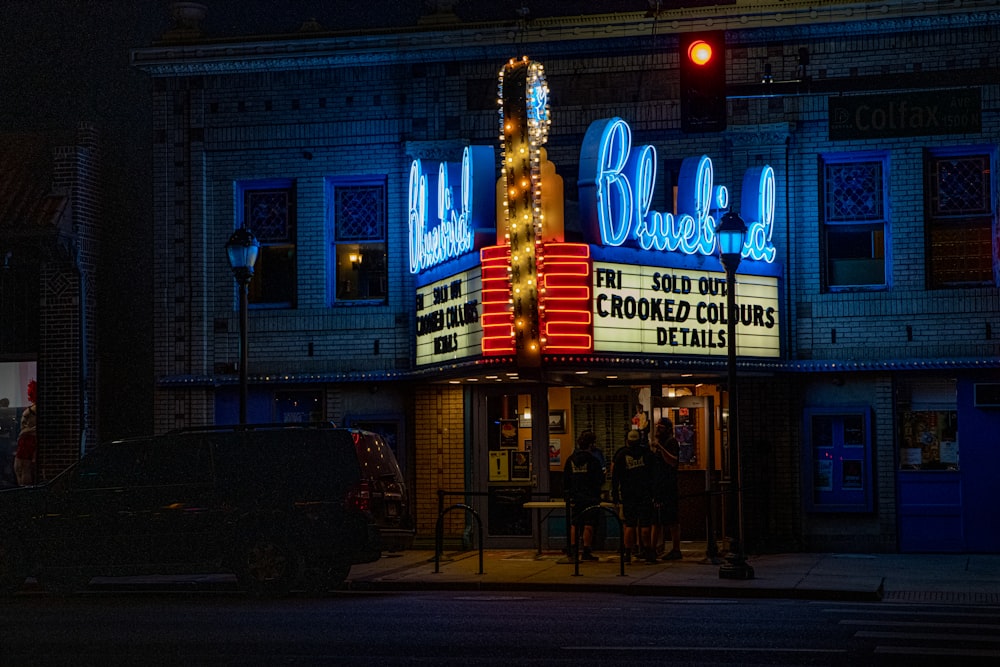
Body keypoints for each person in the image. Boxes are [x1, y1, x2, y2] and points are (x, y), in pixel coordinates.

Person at [611, 429, 657, 563]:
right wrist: (655, 493)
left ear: (628, 441)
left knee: (629, 524)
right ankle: (648, 552)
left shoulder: (621, 455)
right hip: (645, 494)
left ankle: (627, 553)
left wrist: (615, 494)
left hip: (628, 495)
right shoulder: (647, 454)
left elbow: (615, 477)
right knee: (645, 525)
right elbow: (654, 475)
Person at [563, 429, 605, 561]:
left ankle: (574, 550)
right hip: (590, 497)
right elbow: (599, 480)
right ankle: (586, 550)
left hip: (575, 496)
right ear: (591, 444)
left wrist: (568, 495)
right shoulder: (593, 461)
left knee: (575, 523)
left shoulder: (570, 460)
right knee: (589, 524)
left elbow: (565, 479)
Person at [651, 417, 682, 561]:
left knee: (671, 519)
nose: (658, 430)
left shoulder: (671, 442)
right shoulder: (660, 443)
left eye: (661, 428)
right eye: (657, 427)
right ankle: (652, 549)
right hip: (658, 485)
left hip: (669, 486)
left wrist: (660, 448)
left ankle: (676, 549)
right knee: (657, 518)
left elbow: (673, 461)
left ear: (668, 429)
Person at [14, 380, 37, 486]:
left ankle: (25, 493)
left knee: (22, 468)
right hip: (27, 439)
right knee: (21, 468)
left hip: (27, 440)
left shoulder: (33, 409)